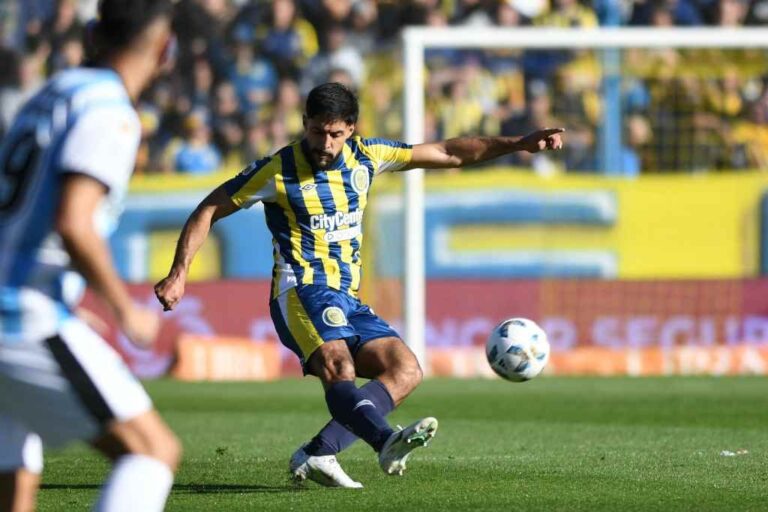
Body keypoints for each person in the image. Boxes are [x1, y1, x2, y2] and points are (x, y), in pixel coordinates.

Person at [154, 82, 564, 489]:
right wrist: (179, 273)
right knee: (340, 367)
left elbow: (449, 152)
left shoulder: (369, 156)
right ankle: (386, 440)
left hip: (347, 298)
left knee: (405, 370)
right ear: (304, 124)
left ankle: (320, 451)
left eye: (334, 134)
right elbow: (210, 206)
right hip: (300, 291)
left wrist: (519, 144)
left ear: (351, 128)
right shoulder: (277, 170)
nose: (325, 143)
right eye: (317, 131)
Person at [0, 2, 182, 511]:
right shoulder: (109, 113)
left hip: (21, 301)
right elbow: (75, 223)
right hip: (19, 318)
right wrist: (125, 312)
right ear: (164, 49)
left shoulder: (50, 95)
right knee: (152, 452)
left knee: (14, 481)